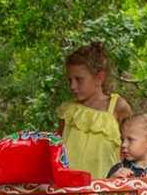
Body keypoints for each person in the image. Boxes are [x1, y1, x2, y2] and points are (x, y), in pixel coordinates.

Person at [57, 42, 133, 179]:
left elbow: (133, 149)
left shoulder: (118, 107)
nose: (72, 86)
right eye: (70, 80)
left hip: (107, 187)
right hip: (70, 188)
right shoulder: (67, 111)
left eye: (79, 80)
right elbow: (57, 153)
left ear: (99, 78)